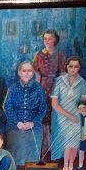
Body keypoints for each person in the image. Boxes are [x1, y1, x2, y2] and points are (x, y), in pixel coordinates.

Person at [2, 59, 48, 168]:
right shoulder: (13, 88)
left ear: (33, 73)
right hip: (15, 123)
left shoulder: (38, 88)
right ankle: (17, 163)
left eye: (29, 71)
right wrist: (17, 122)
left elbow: (43, 108)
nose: (27, 73)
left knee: (33, 146)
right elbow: (7, 107)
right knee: (16, 140)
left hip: (33, 123)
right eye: (24, 71)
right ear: (19, 73)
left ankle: (31, 163)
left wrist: (33, 122)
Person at [50, 56, 86, 170]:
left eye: (76, 67)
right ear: (66, 67)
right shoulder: (59, 80)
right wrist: (69, 116)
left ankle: (70, 163)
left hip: (76, 116)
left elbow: (83, 102)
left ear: (79, 68)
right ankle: (62, 162)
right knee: (63, 140)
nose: (73, 69)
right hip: (60, 116)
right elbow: (54, 104)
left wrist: (80, 114)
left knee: (74, 142)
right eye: (70, 66)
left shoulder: (82, 82)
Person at [32, 29, 67, 157]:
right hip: (42, 85)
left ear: (55, 40)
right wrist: (37, 89)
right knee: (43, 115)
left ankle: (54, 146)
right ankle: (45, 144)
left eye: (50, 38)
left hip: (55, 85)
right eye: (45, 38)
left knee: (54, 116)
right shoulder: (38, 54)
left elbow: (63, 74)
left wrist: (62, 90)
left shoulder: (60, 54)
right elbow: (36, 74)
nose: (47, 41)